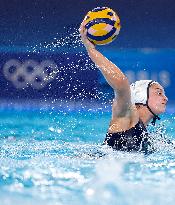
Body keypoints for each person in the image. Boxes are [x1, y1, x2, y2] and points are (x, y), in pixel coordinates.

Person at [79, 21, 168, 154]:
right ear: (141, 95)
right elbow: (121, 83)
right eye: (159, 93)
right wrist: (91, 49)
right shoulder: (127, 114)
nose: (165, 98)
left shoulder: (147, 135)